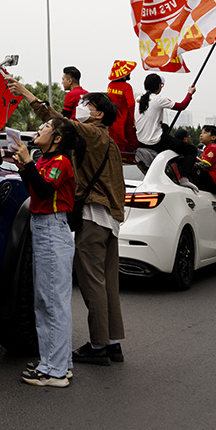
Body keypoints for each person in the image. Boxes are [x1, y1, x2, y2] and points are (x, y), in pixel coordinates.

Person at [11, 116, 77, 388]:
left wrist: (27, 164)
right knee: (48, 300)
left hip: (52, 228)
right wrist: (25, 166)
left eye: (46, 127)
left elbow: (44, 188)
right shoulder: (44, 160)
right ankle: (58, 362)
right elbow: (35, 189)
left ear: (58, 139)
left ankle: (54, 371)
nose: (39, 128)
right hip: (45, 227)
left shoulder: (60, 162)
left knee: (51, 301)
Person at [69, 93, 127, 367]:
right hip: (110, 219)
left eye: (87, 105)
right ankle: (112, 342)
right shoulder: (111, 143)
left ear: (99, 114)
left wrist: (23, 92)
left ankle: (97, 345)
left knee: (92, 282)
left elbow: (57, 121)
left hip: (93, 216)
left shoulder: (93, 134)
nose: (82, 109)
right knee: (108, 283)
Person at [133, 73, 195, 170]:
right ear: (159, 86)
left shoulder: (138, 99)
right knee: (191, 150)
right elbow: (182, 106)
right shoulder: (159, 99)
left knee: (165, 127)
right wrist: (190, 93)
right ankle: (184, 177)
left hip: (141, 139)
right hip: (155, 141)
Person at [104, 60, 137, 162]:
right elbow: (131, 104)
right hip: (125, 118)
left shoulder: (110, 86)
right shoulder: (126, 87)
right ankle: (130, 160)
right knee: (132, 142)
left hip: (114, 118)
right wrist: (134, 119)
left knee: (115, 140)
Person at [192, 124, 216, 194]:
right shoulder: (208, 148)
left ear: (213, 137)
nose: (201, 135)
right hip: (215, 179)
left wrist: (190, 163)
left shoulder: (212, 148)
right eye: (201, 133)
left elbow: (205, 165)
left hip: (215, 180)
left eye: (204, 133)